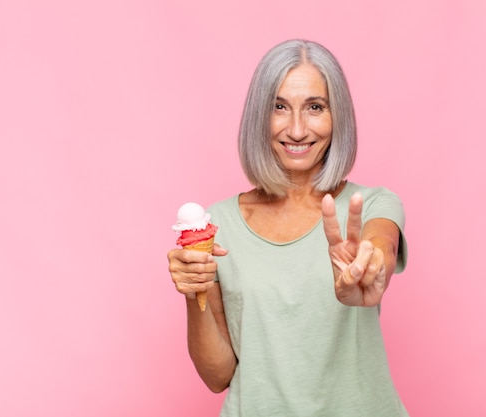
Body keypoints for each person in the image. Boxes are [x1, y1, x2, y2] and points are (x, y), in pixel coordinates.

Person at [167, 39, 409, 416]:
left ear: (337, 116)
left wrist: (369, 265)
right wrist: (192, 289)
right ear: (258, 117)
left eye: (315, 107)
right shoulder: (218, 225)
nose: (297, 130)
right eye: (279, 107)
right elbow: (217, 377)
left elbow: (380, 244)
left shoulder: (374, 204)